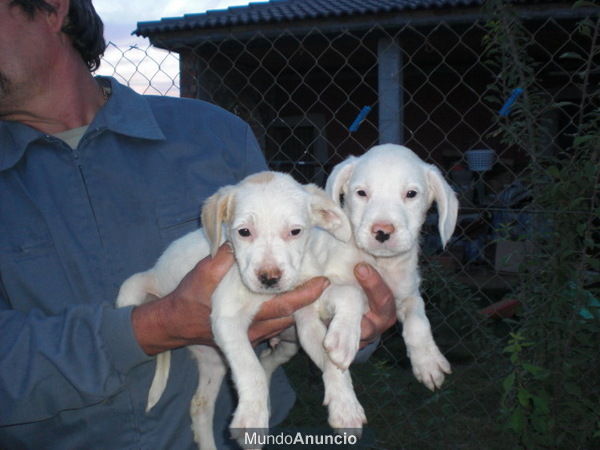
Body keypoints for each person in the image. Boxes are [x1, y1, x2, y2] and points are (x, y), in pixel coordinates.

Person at [0, 0, 397, 448]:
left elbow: (303, 278)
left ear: (51, 9)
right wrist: (151, 327)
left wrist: (350, 326)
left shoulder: (216, 136)